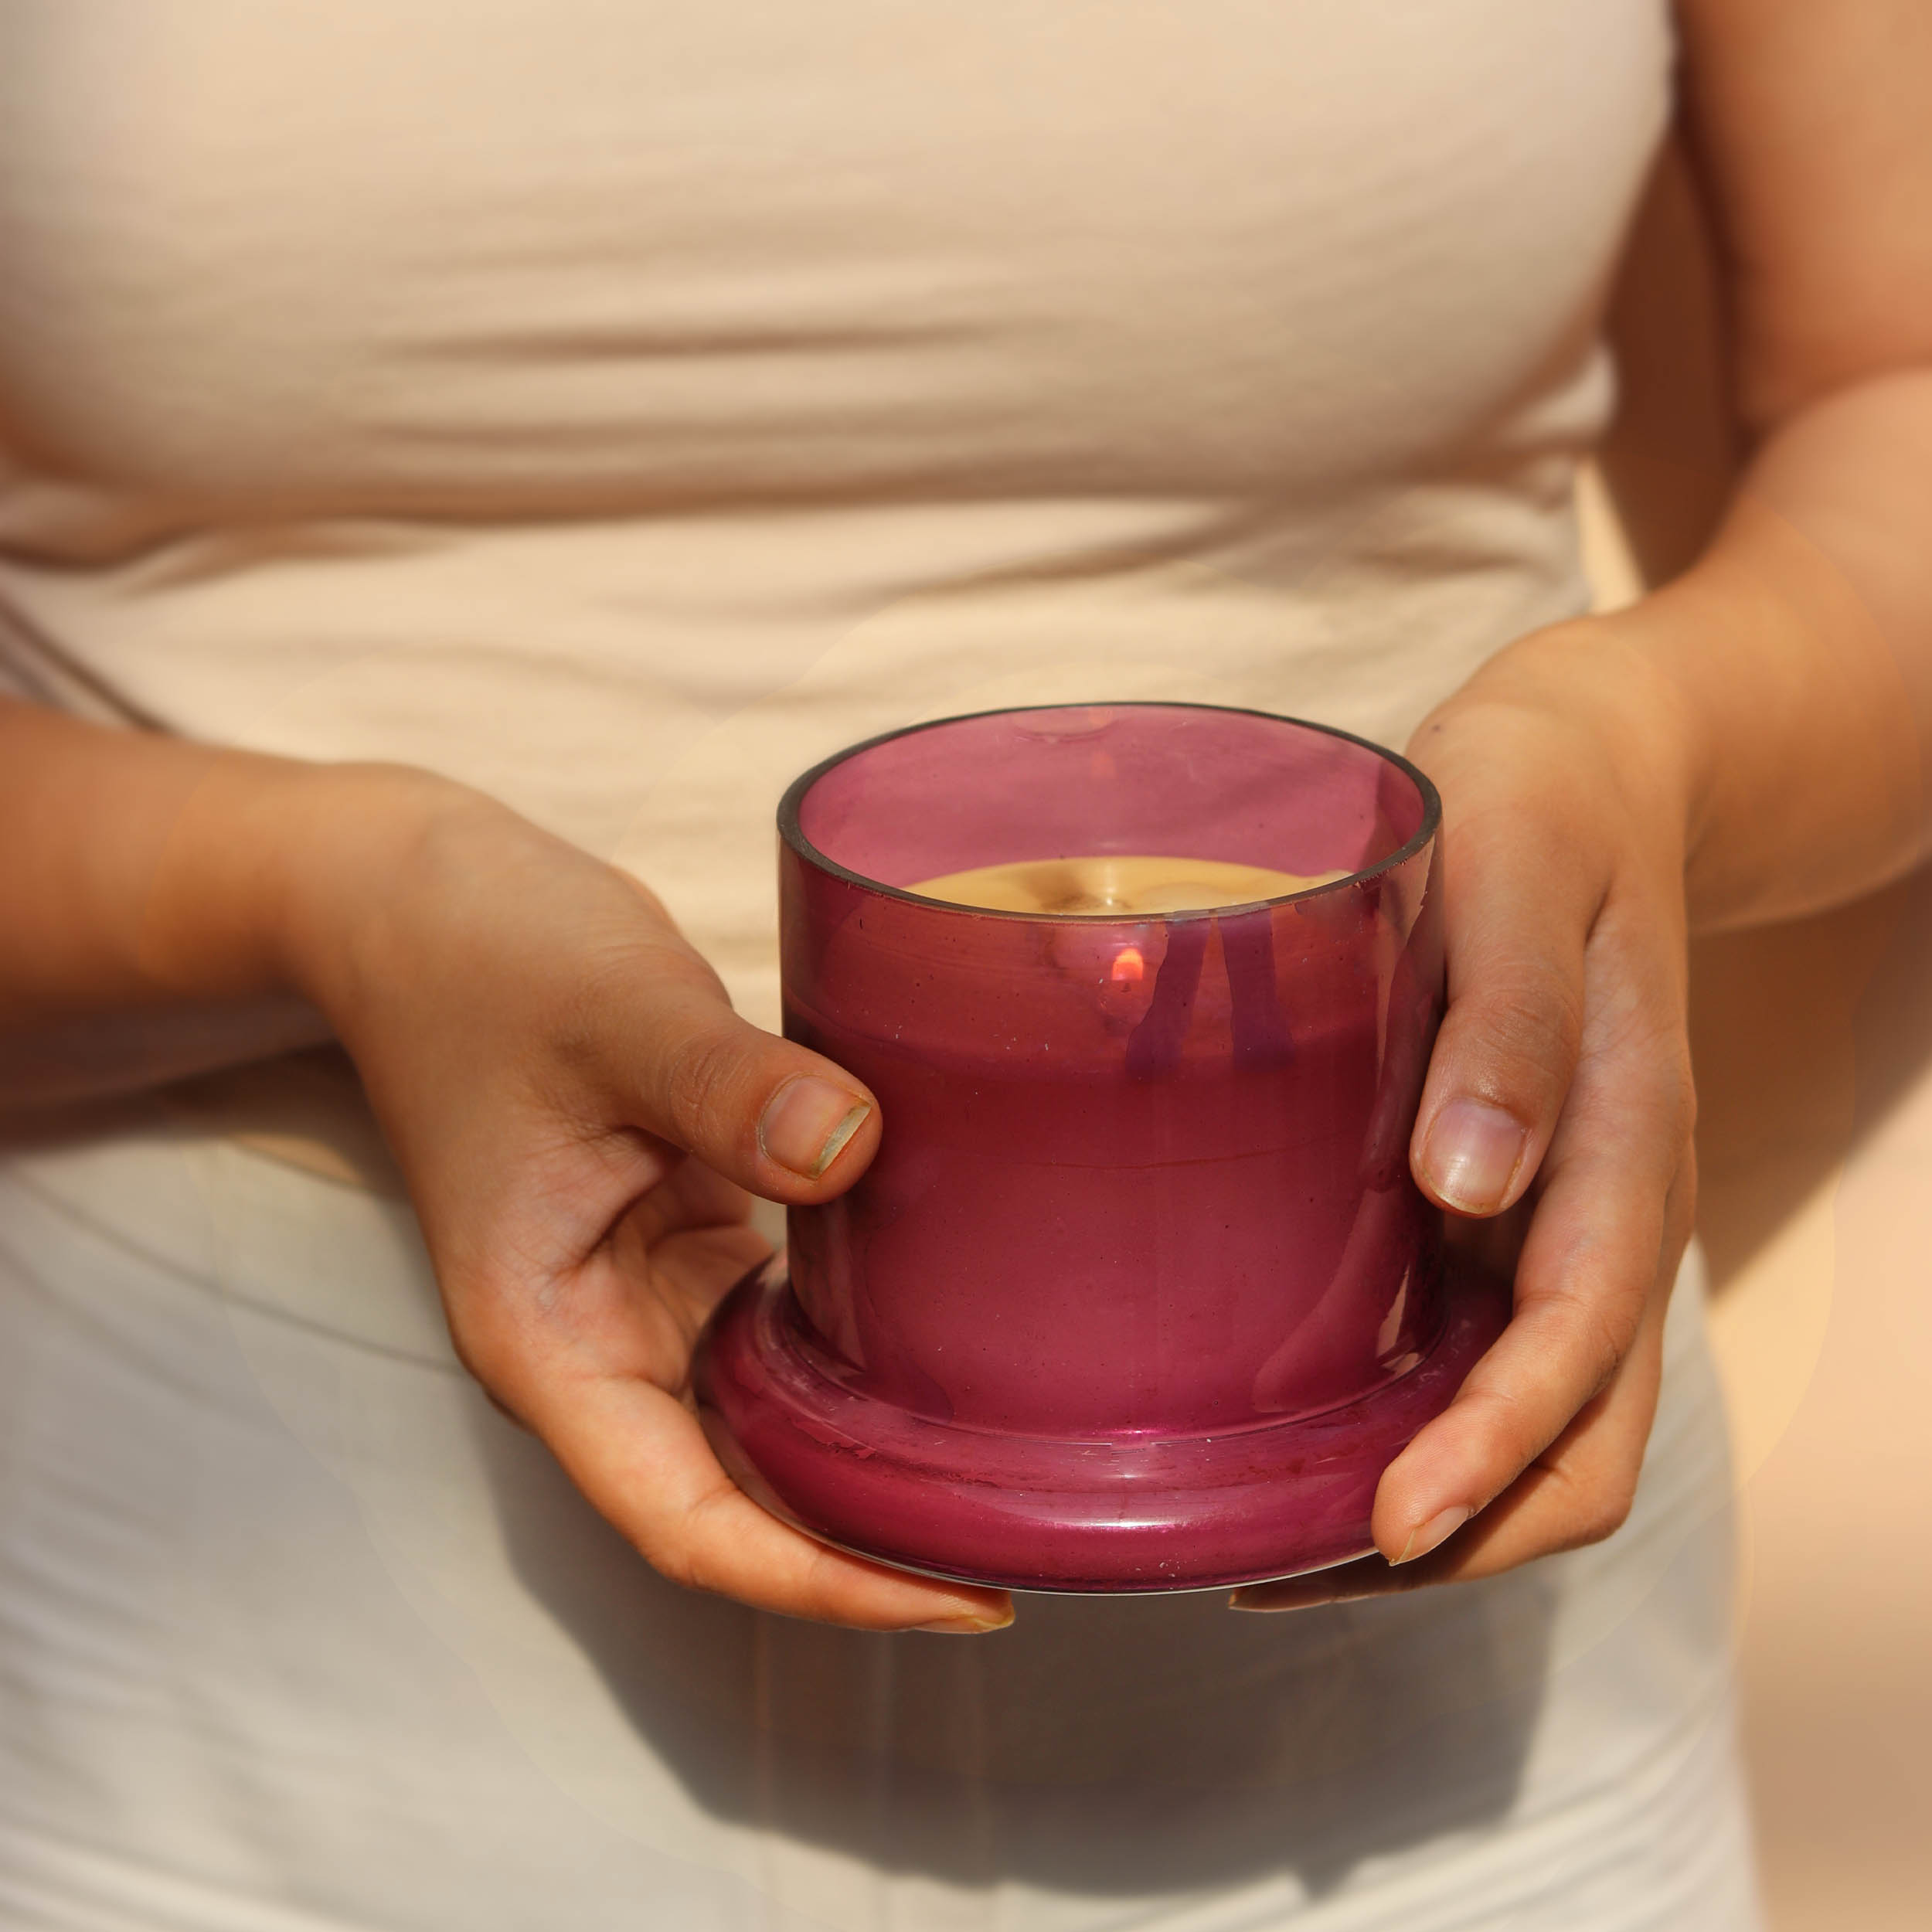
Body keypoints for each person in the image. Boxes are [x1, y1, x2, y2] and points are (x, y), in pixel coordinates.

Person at [1, 1, 1927, 1924]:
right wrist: (339, 900)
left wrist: (1636, 746)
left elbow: (1895, 387)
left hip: (1429, 1736)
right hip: (249, 1701)